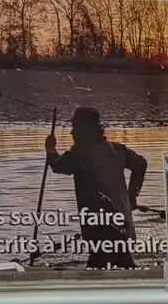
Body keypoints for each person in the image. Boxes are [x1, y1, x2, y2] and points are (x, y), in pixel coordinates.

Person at [45, 107, 148, 269]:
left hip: (99, 227)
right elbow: (140, 164)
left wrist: (50, 149)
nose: (72, 133)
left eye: (75, 128)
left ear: (85, 129)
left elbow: (59, 166)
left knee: (100, 267)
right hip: (121, 223)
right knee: (120, 263)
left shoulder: (81, 152)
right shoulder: (118, 150)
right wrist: (131, 197)